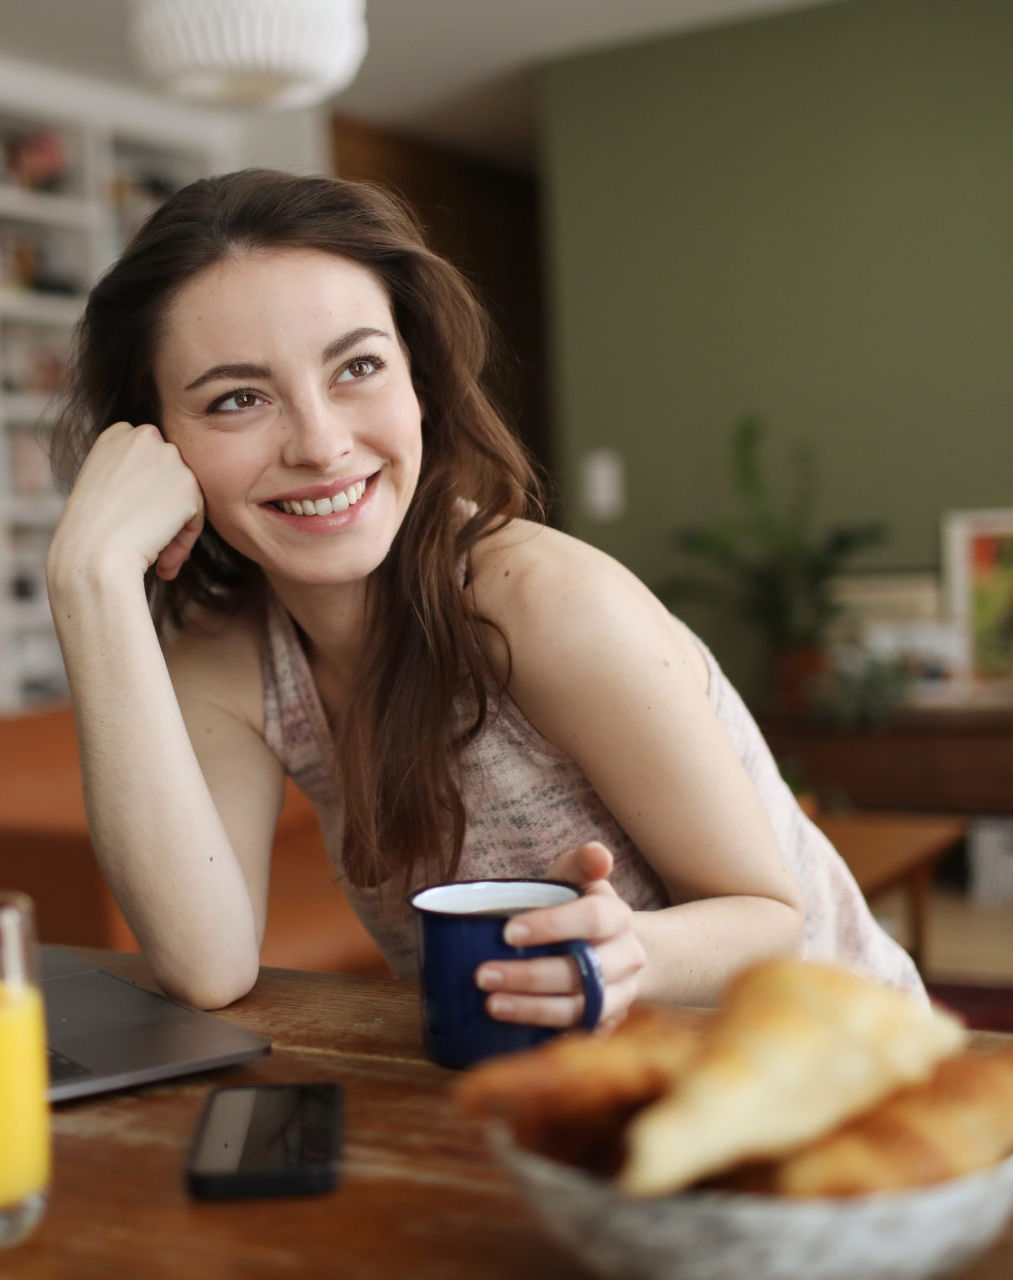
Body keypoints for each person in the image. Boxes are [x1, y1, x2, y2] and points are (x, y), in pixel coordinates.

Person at [46, 169, 921, 1028]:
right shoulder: (230, 659)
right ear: (156, 446)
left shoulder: (543, 602)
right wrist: (89, 581)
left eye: (356, 366)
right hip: (554, 1105)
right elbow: (206, 968)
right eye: (239, 398)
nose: (320, 444)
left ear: (418, 382)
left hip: (843, 1073)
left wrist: (630, 954)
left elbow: (771, 918)